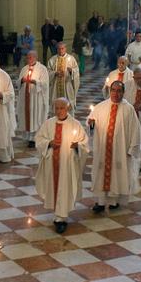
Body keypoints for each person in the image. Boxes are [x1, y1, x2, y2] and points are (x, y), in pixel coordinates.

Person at [88, 81, 141, 212]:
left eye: (119, 91)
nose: (116, 93)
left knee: (117, 175)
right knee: (101, 174)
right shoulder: (101, 107)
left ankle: (114, 201)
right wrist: (91, 124)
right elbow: (91, 124)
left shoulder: (128, 109)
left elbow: (135, 131)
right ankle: (100, 202)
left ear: (123, 92)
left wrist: (132, 148)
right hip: (103, 149)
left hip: (120, 150)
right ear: (110, 91)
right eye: (113, 90)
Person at [34, 98, 89, 233]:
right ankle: (58, 215)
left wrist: (78, 146)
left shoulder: (75, 124)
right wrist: (48, 143)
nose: (59, 111)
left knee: (64, 189)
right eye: (56, 108)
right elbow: (39, 139)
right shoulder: (48, 123)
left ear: (68, 108)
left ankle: (61, 218)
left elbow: (84, 144)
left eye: (62, 108)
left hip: (66, 166)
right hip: (51, 165)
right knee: (54, 189)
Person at [17, 51, 49, 148]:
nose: (28, 59)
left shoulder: (42, 69)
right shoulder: (24, 69)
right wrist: (21, 81)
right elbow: (18, 82)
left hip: (36, 99)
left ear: (36, 58)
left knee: (35, 118)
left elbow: (45, 84)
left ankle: (35, 138)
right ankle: (28, 137)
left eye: (30, 57)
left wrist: (36, 82)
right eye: (27, 58)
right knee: (27, 117)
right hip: (26, 98)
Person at [47, 42, 80, 113]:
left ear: (65, 49)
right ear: (57, 49)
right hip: (55, 87)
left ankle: (68, 118)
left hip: (67, 86)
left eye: (62, 48)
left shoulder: (71, 59)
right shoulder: (52, 60)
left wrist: (71, 71)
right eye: (59, 49)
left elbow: (76, 71)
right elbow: (48, 72)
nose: (61, 50)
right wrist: (55, 73)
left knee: (68, 106)